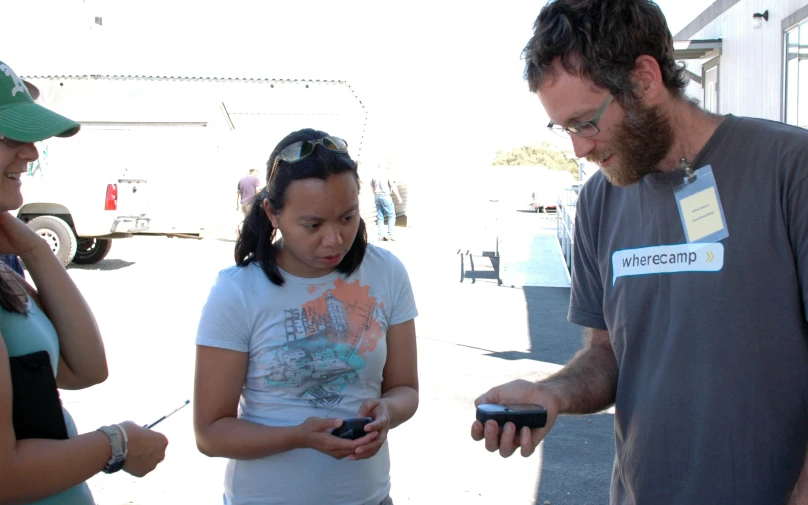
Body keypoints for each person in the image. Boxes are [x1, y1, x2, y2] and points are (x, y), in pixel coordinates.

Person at [470, 2, 808, 504]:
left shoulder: (789, 168)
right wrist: (553, 393)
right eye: (563, 128)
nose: (578, 149)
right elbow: (607, 354)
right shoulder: (599, 200)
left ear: (645, 78)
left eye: (585, 122)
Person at [194, 128, 419, 505]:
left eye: (347, 217)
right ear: (272, 213)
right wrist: (298, 436)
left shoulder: (387, 272)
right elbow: (211, 433)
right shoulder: (236, 292)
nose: (334, 239)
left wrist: (387, 411)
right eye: (313, 225)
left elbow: (406, 390)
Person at [0, 60, 168, 504]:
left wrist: (35, 251)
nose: (31, 152)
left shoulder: (6, 259)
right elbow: (5, 477)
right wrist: (116, 443)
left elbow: (84, 368)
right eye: (9, 138)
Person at [370, 165, 402, 242]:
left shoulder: (374, 176)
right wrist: (399, 197)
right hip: (386, 196)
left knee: (380, 217)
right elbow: (393, 186)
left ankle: (380, 236)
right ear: (384, 167)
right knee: (391, 215)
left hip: (377, 196)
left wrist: (376, 195)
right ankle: (389, 235)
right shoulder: (387, 175)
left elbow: (373, 188)